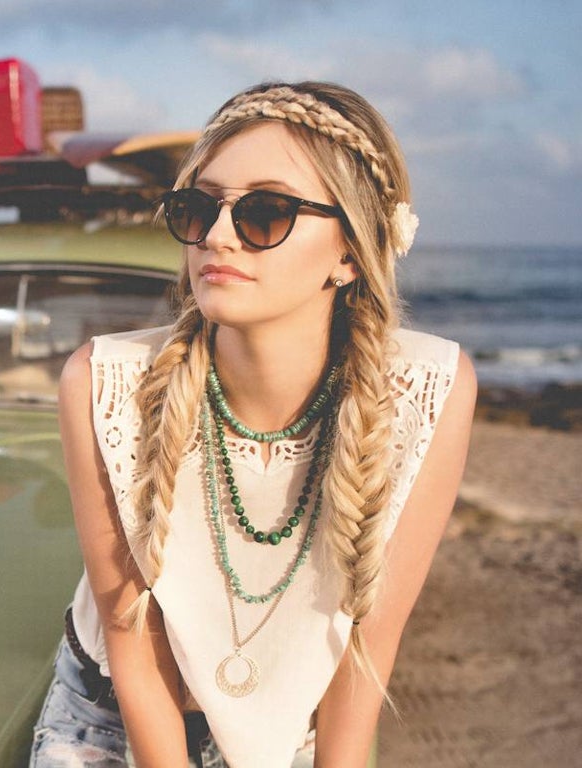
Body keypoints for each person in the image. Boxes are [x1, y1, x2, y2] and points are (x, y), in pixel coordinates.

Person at [30, 81, 476, 767]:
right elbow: (133, 647)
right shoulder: (103, 382)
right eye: (198, 206)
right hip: (113, 721)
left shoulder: (429, 391)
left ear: (350, 253)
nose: (214, 235)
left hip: (291, 729)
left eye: (265, 212)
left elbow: (368, 647)